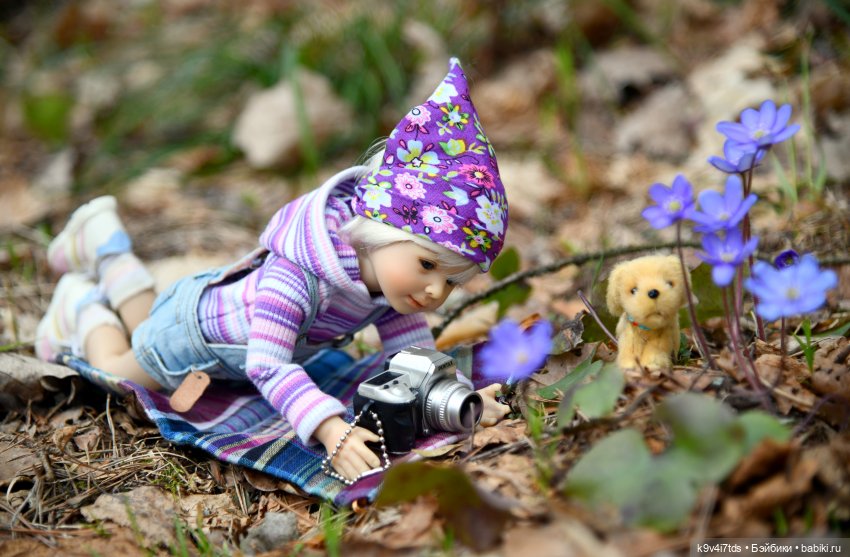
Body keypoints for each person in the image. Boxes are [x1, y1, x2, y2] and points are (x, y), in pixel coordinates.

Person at [35, 58, 511, 482]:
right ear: (382, 229)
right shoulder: (298, 276)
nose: (434, 292)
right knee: (118, 367)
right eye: (427, 265)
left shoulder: (388, 286)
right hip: (191, 341)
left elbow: (413, 358)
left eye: (452, 281)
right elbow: (267, 363)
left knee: (143, 320)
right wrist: (331, 429)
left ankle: (109, 248)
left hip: (213, 326)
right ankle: (82, 302)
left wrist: (459, 400)